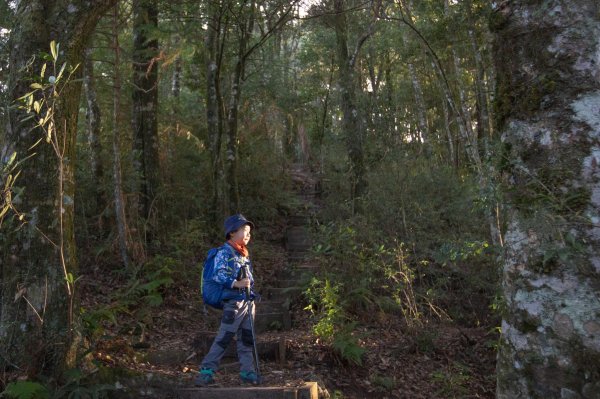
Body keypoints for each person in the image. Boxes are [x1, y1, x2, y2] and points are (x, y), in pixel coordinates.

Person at [195, 214, 259, 386]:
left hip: (247, 302)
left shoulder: (242, 253)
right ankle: (207, 371)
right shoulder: (225, 252)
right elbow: (219, 274)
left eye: (249, 232)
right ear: (231, 233)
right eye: (244, 231)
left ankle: (248, 371)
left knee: (246, 339)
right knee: (224, 337)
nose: (248, 234)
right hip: (234, 303)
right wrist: (237, 283)